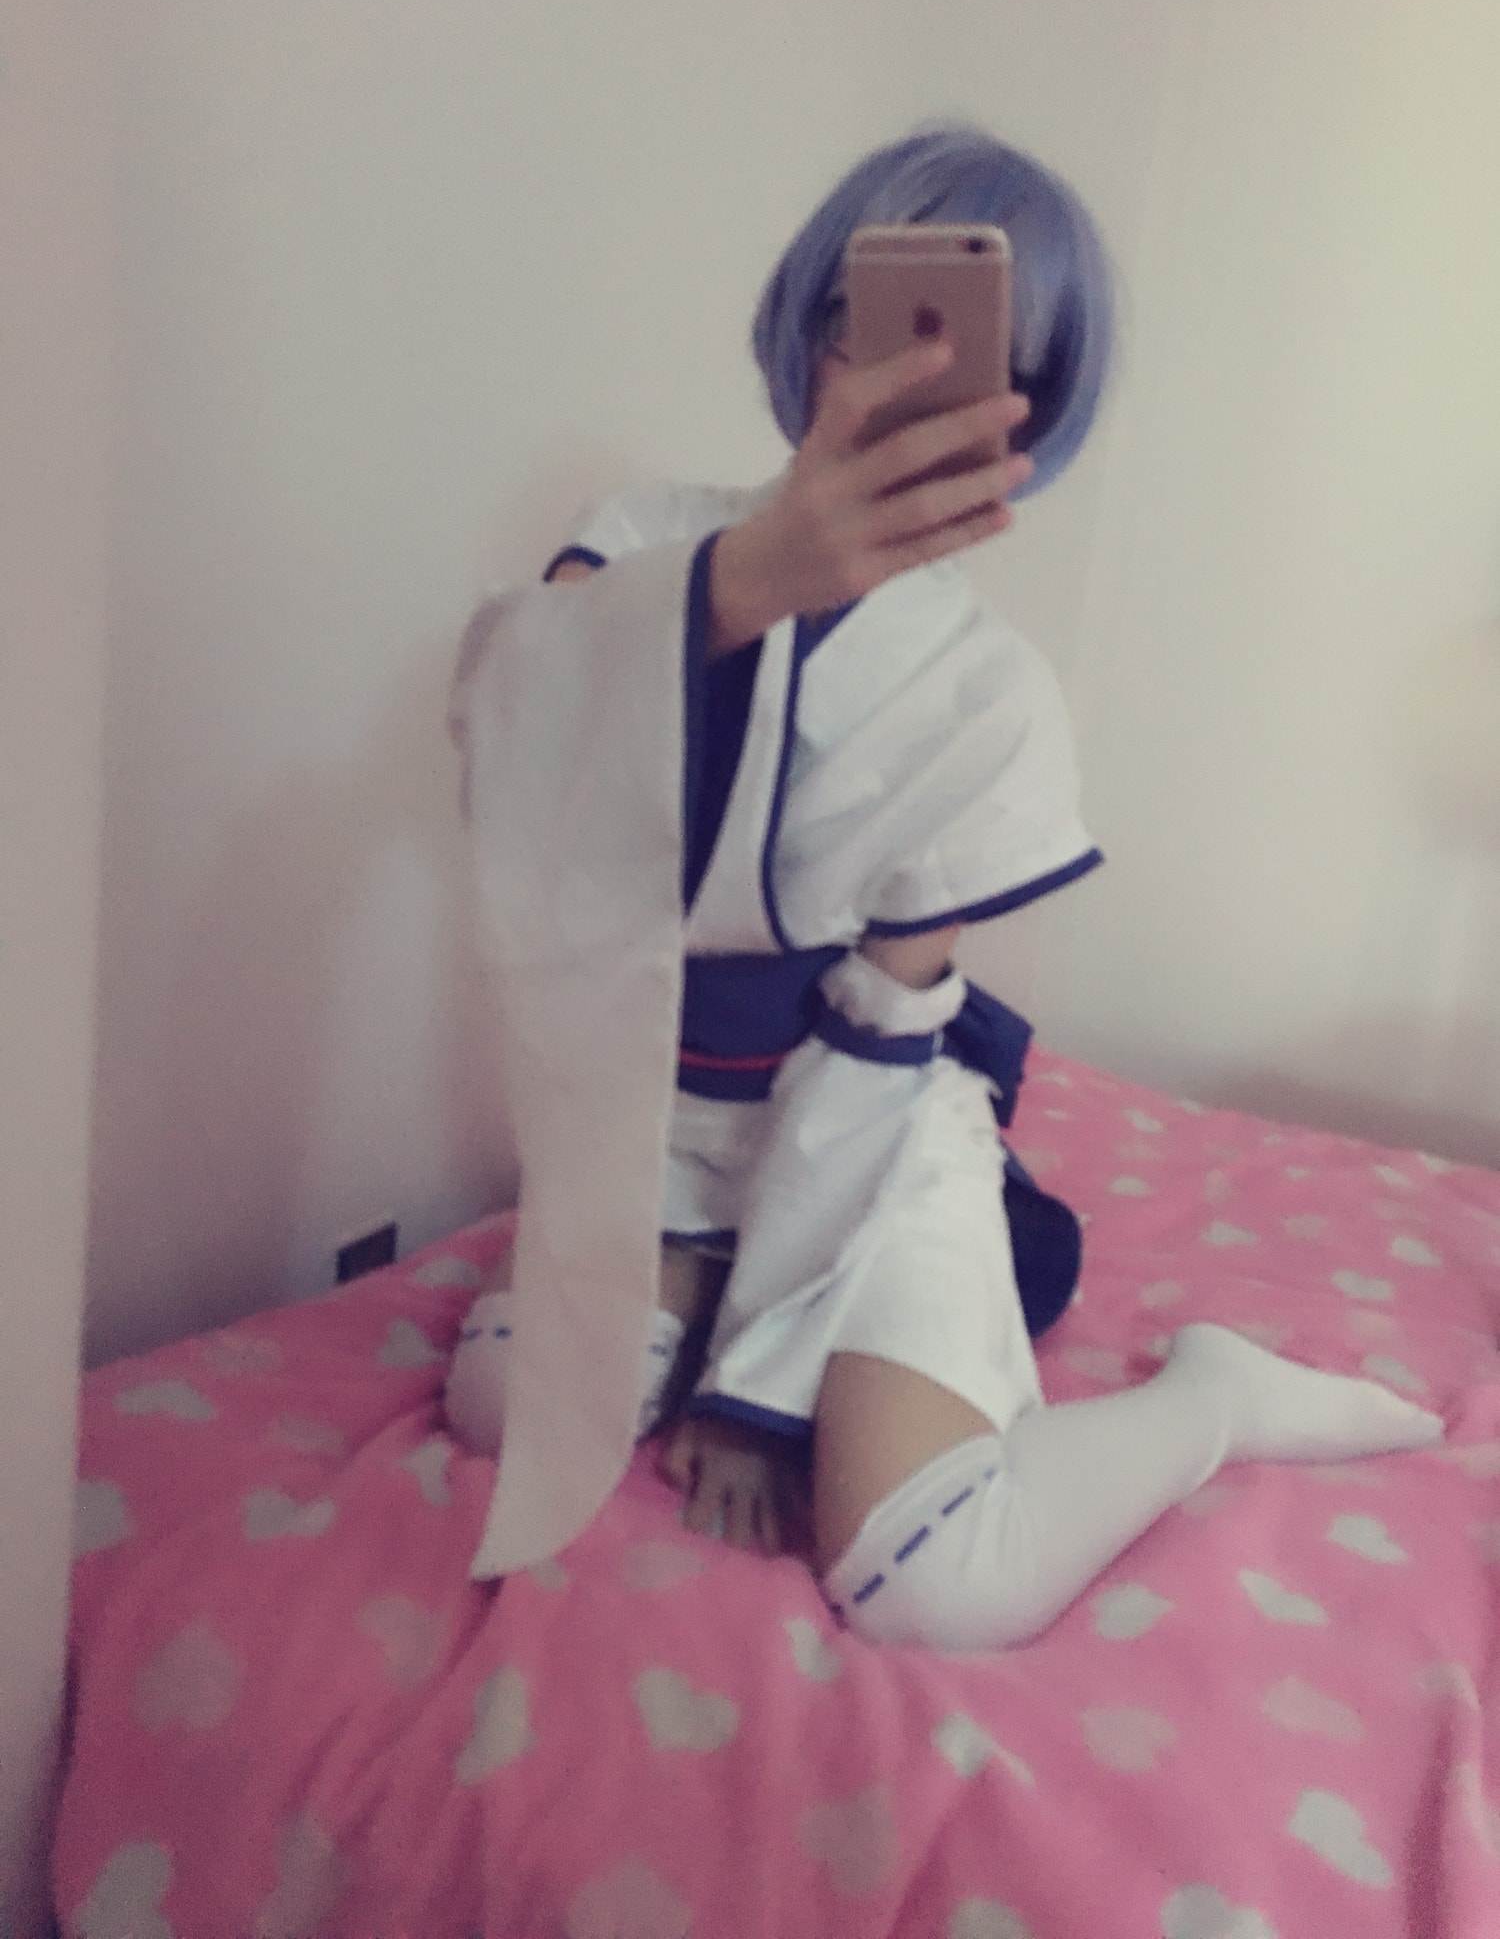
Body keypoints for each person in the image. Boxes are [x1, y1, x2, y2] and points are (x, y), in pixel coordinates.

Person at [445, 125, 1444, 1651]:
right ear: (812, 323)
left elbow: (877, 1045)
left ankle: (1214, 1400)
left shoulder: (992, 697)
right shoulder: (645, 538)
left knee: (928, 1581)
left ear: (1030, 417)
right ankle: (693, 1271)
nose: (917, 385)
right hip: (662, 1123)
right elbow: (505, 736)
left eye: (980, 360)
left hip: (870, 1142)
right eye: (881, 322)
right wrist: (751, 579)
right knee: (501, 1399)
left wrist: (761, 1393)